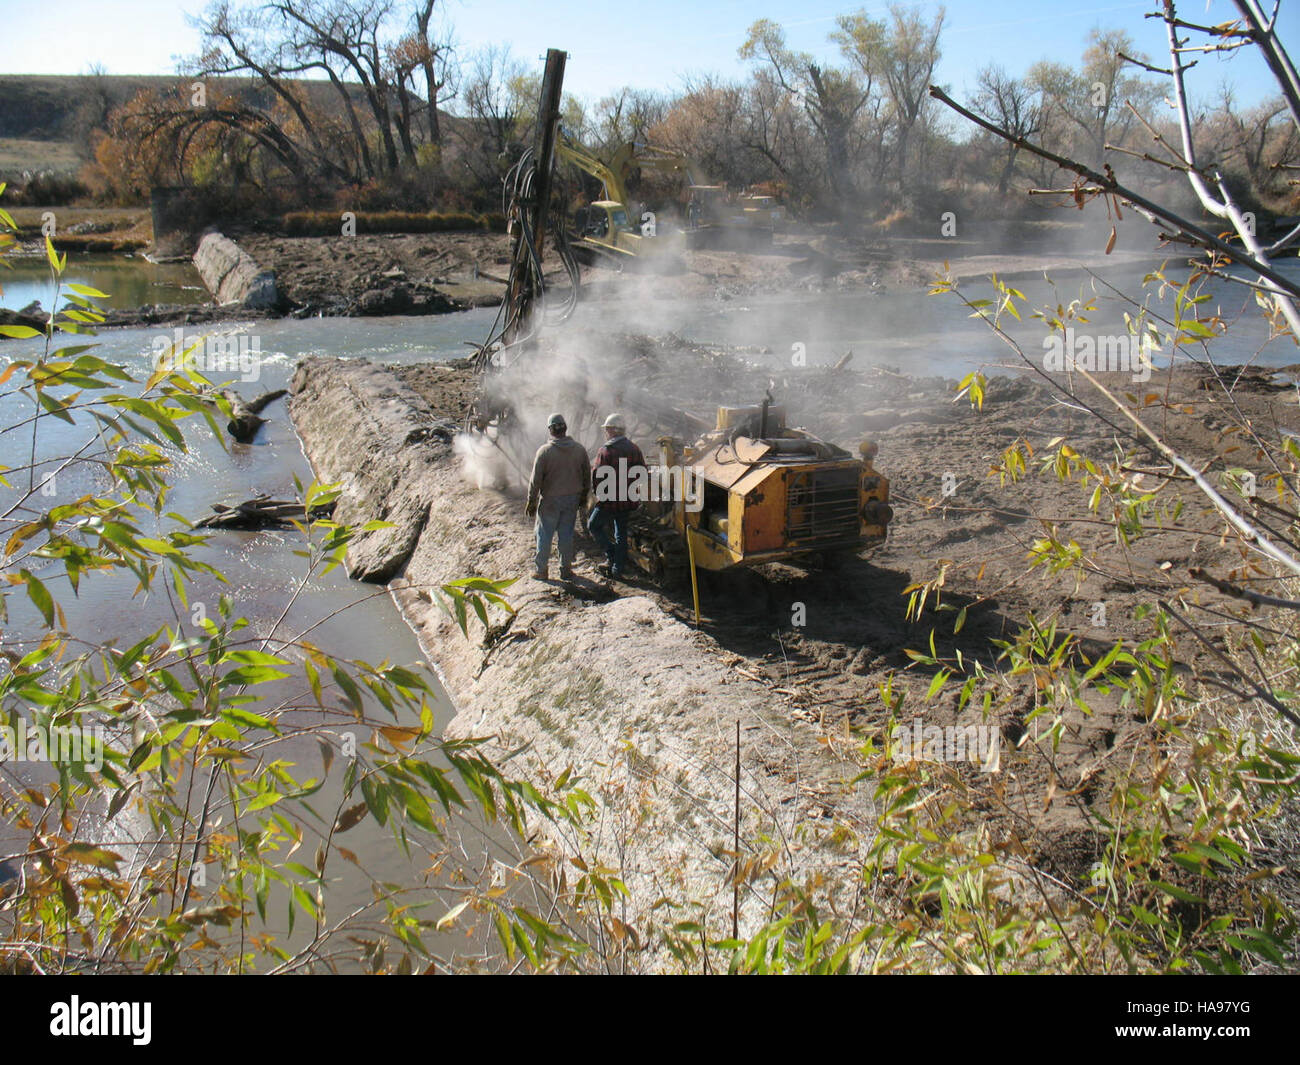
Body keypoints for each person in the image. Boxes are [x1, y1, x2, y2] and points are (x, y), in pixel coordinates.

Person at [526, 413, 589, 580]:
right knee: (566, 535)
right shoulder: (579, 449)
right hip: (572, 499)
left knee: (544, 535)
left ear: (550, 430)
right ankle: (565, 570)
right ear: (565, 428)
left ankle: (541, 571)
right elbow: (586, 476)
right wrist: (583, 497)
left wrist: (531, 501)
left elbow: (535, 480)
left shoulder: (544, 452)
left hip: (550, 501)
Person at [588, 413, 646, 580]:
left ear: (613, 430)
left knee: (593, 525)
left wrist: (599, 495)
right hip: (628, 500)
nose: (606, 432)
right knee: (621, 533)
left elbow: (597, 476)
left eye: (607, 429)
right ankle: (617, 568)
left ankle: (611, 554)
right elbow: (642, 474)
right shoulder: (634, 448)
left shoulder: (605, 451)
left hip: (609, 501)